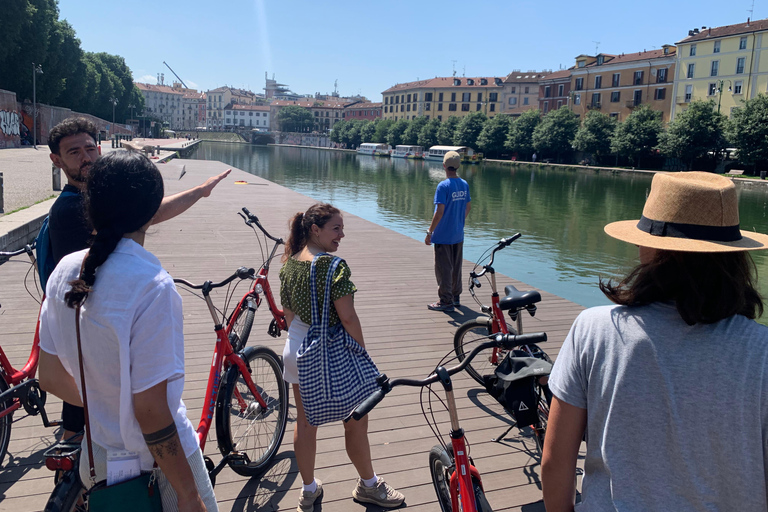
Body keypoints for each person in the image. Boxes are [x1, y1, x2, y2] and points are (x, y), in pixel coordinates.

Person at [542, 171, 768, 512]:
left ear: (651, 248)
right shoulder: (762, 351)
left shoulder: (595, 330)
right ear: (733, 253)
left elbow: (555, 464)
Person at [38, 151, 217, 511]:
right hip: (155, 467)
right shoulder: (151, 286)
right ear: (153, 212)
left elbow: (50, 377)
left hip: (98, 456)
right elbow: (151, 410)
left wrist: (107, 403)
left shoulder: (64, 270)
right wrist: (187, 493)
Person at [46, 117, 230, 445]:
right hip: (92, 324)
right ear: (56, 161)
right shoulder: (73, 211)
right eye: (74, 152)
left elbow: (147, 213)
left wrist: (200, 192)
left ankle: (74, 465)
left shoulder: (96, 205)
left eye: (90, 148)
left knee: (83, 415)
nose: (86, 157)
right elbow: (151, 409)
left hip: (79, 321)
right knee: (78, 423)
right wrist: (111, 408)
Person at [279, 203, 405, 512]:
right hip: (330, 351)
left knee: (306, 424)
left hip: (296, 350)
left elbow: (289, 315)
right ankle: (369, 486)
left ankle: (309, 491)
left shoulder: (290, 263)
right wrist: (362, 353)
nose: (342, 235)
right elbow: (347, 317)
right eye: (336, 228)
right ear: (315, 230)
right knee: (356, 419)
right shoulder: (332, 266)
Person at [424, 150, 471, 312]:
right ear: (458, 166)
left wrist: (430, 232)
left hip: (443, 235)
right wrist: (459, 222)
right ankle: (455, 297)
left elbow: (439, 212)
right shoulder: (464, 184)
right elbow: (468, 207)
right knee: (456, 266)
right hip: (458, 234)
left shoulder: (443, 186)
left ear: (444, 165)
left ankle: (445, 301)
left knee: (444, 268)